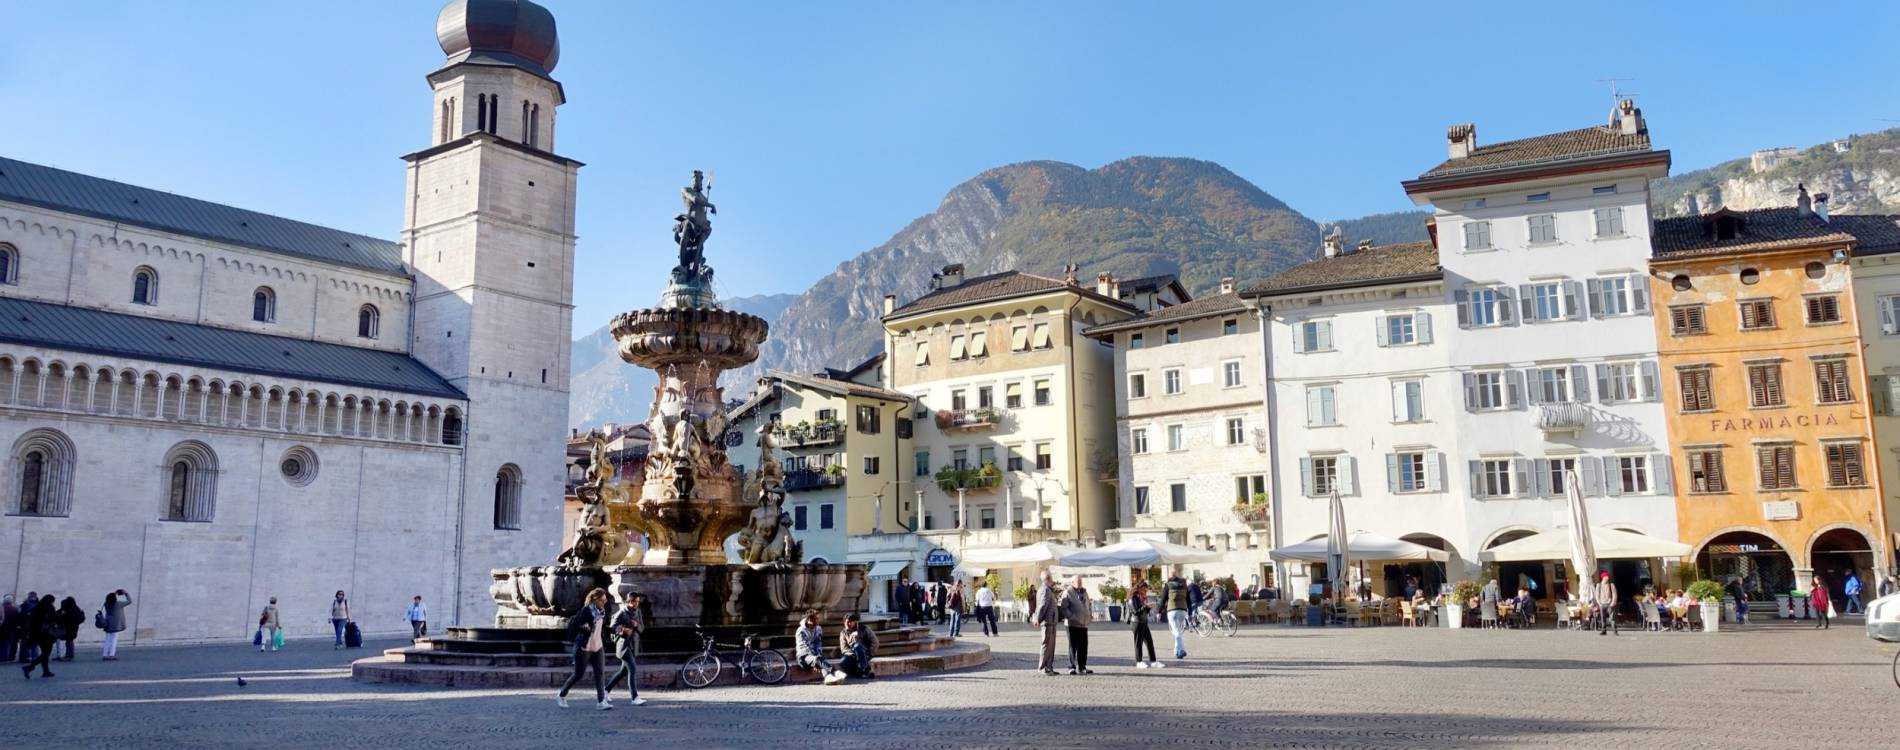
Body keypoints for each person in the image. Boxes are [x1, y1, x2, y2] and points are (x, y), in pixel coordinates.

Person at [557, 588, 612, 709]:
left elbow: (603, 628)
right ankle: (561, 695)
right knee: (578, 674)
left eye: (605, 600)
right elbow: (579, 625)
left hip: (598, 646)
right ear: (594, 599)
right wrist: (584, 626)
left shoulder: (603, 611)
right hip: (584, 646)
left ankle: (601, 702)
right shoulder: (585, 611)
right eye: (602, 600)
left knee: (600, 673)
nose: (604, 602)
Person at [603, 591, 647, 706]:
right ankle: (635, 697)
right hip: (623, 646)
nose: (636, 604)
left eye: (637, 601)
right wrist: (623, 630)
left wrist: (637, 625)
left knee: (623, 672)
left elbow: (642, 629)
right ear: (628, 601)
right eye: (634, 601)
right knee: (632, 669)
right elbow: (611, 627)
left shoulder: (638, 612)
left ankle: (605, 691)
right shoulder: (621, 612)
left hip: (633, 646)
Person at [794, 610, 844, 684]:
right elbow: (804, 647)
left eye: (818, 619)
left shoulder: (818, 629)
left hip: (815, 657)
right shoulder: (801, 630)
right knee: (817, 659)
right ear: (809, 620)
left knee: (820, 659)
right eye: (815, 619)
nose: (817, 621)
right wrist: (815, 659)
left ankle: (828, 677)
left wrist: (817, 657)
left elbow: (818, 644)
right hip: (803, 657)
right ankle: (835, 672)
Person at [1029, 570, 1062, 675]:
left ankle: (1049, 667)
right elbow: (1042, 606)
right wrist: (1037, 619)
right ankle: (1042, 667)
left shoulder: (1048, 589)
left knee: (1051, 645)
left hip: (1052, 621)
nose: (1053, 580)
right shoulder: (1045, 590)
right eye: (1052, 578)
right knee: (1046, 644)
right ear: (1048, 579)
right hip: (1047, 621)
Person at [1059, 575, 1092, 675]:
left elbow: (1088, 604)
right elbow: (1064, 607)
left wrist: (1089, 614)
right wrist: (1072, 617)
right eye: (1078, 581)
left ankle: (1082, 667)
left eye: (1081, 581)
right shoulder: (1068, 592)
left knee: (1083, 646)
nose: (1080, 583)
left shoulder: (1084, 592)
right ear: (1072, 582)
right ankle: (1071, 666)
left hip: (1083, 623)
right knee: (1073, 646)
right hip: (1072, 624)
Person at [21, 594, 58, 678]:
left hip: (38, 634)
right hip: (47, 634)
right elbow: (53, 618)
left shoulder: (36, 608)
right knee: (46, 653)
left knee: (44, 652)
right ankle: (30, 667)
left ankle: (45, 671)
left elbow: (31, 622)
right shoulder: (49, 608)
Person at [838, 613, 878, 679]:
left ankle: (865, 670)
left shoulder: (864, 628)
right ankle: (860, 673)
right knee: (843, 662)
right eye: (846, 622)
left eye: (850, 622)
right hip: (852, 654)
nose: (848, 624)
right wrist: (853, 654)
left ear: (855, 622)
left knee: (857, 646)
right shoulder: (843, 633)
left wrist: (869, 653)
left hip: (865, 653)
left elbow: (875, 642)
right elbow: (843, 648)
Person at [1130, 579, 1159, 669]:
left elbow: (1144, 612)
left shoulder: (1141, 598)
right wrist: (1145, 606)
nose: (1145, 591)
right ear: (1139, 588)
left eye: (1146, 590)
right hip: (1137, 622)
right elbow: (1136, 612)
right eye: (1144, 589)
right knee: (1138, 643)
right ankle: (1139, 661)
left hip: (1143, 622)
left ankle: (1153, 661)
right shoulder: (1133, 598)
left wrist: (1148, 608)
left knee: (1149, 642)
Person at [1162, 571, 1191, 661]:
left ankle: (1181, 650)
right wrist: (1190, 613)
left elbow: (1163, 599)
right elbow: (1188, 600)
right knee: (1177, 631)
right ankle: (1177, 651)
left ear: (1170, 577)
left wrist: (1158, 611)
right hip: (1183, 611)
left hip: (1172, 610)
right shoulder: (1184, 585)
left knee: (1176, 632)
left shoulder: (1168, 585)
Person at [100, 589, 131, 660]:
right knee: (114, 640)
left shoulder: (106, 604)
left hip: (107, 623)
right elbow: (129, 601)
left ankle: (105, 655)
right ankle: (111, 655)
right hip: (116, 624)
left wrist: (114, 593)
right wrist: (126, 593)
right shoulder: (118, 604)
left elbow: (110, 598)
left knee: (107, 640)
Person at [56, 597, 84, 661]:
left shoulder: (67, 610)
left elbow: (66, 617)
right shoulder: (76, 609)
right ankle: (69, 655)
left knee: (68, 641)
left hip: (68, 628)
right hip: (73, 628)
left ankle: (69, 655)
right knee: (69, 641)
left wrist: (63, 615)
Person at [1, 595, 17, 662]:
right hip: (11, 629)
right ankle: (7, 657)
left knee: (2, 644)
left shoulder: (2, 608)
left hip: (2, 628)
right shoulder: (14, 609)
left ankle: (2, 657)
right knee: (8, 644)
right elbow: (17, 619)